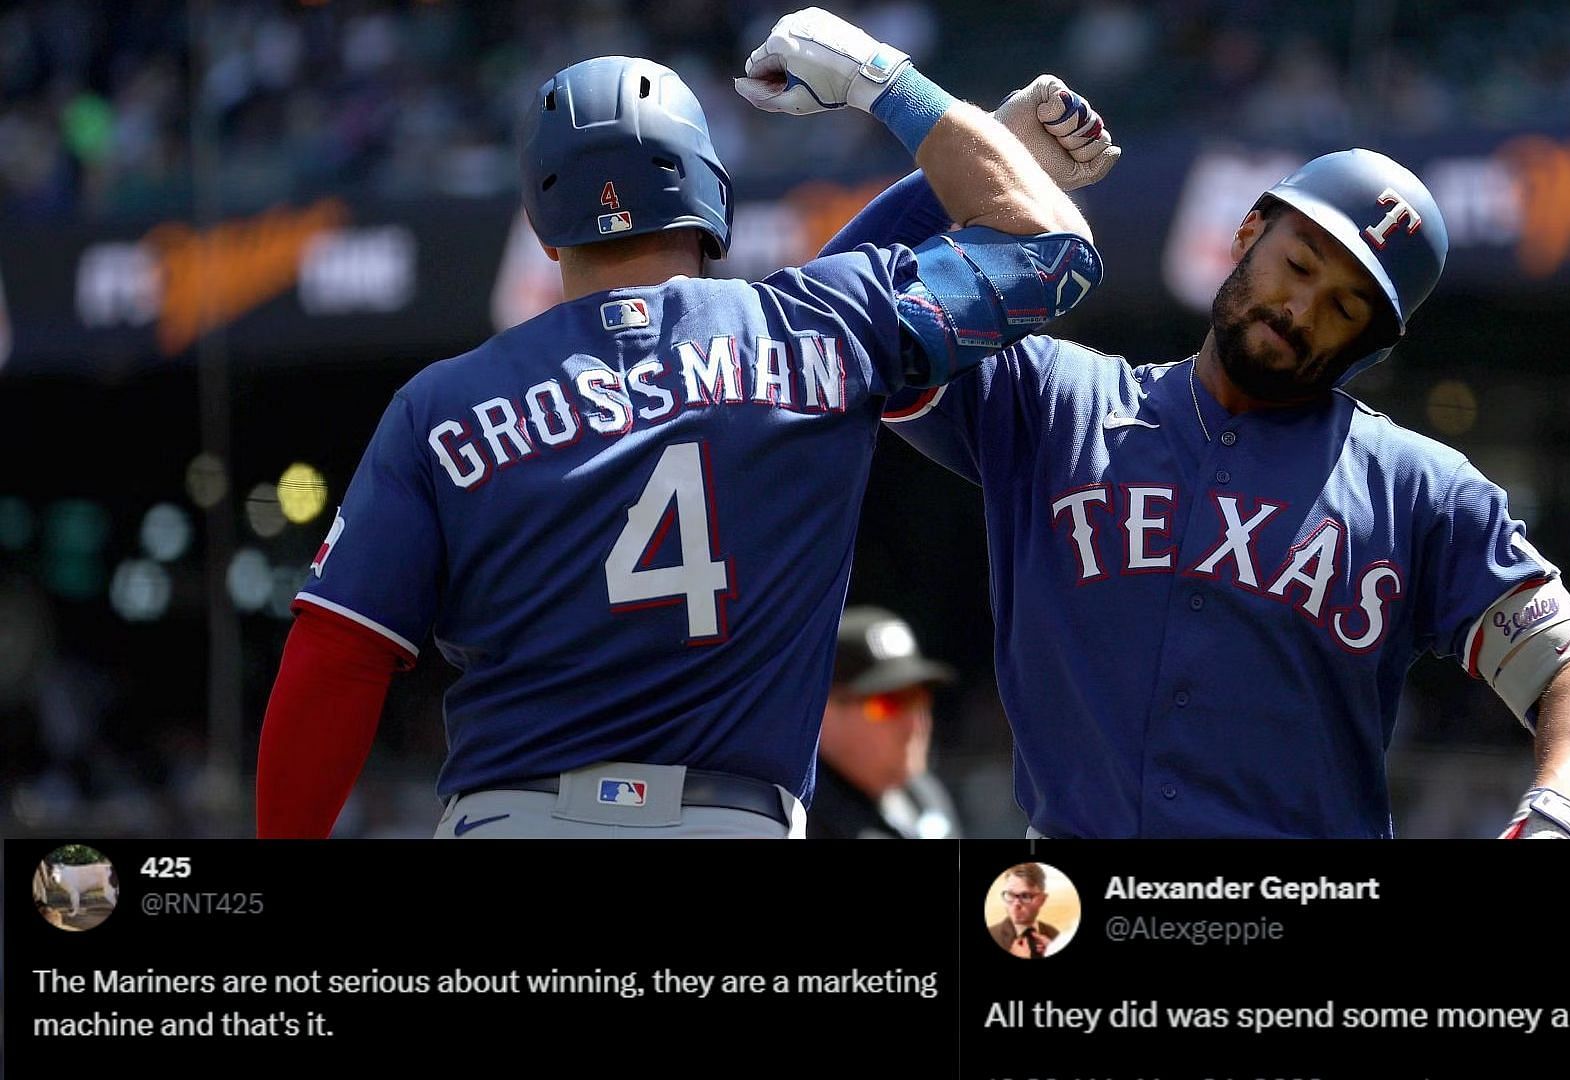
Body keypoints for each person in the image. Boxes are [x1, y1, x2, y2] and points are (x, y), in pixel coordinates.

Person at [254, 7, 1100, 838]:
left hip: (509, 818)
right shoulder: (816, 331)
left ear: (546, 232)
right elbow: (1050, 248)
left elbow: (338, 658)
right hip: (730, 822)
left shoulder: (439, 404)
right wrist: (898, 89)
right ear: (713, 196)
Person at [823, 99, 1570, 839]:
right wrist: (982, 143)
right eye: (1300, 268)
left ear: (1367, 347)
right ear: (1249, 231)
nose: (1301, 311)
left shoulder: (1420, 490)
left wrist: (1555, 814)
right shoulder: (1049, 401)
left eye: (1344, 309)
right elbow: (834, 317)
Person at [808, 605, 961, 839]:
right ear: (824, 712)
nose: (914, 724)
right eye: (888, 703)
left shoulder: (924, 795)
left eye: (918, 698)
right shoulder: (800, 821)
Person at [989, 863, 1059, 958]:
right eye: (1010, 894)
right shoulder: (992, 935)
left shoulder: (1055, 936)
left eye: (1025, 896)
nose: (1016, 903)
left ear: (1042, 900)